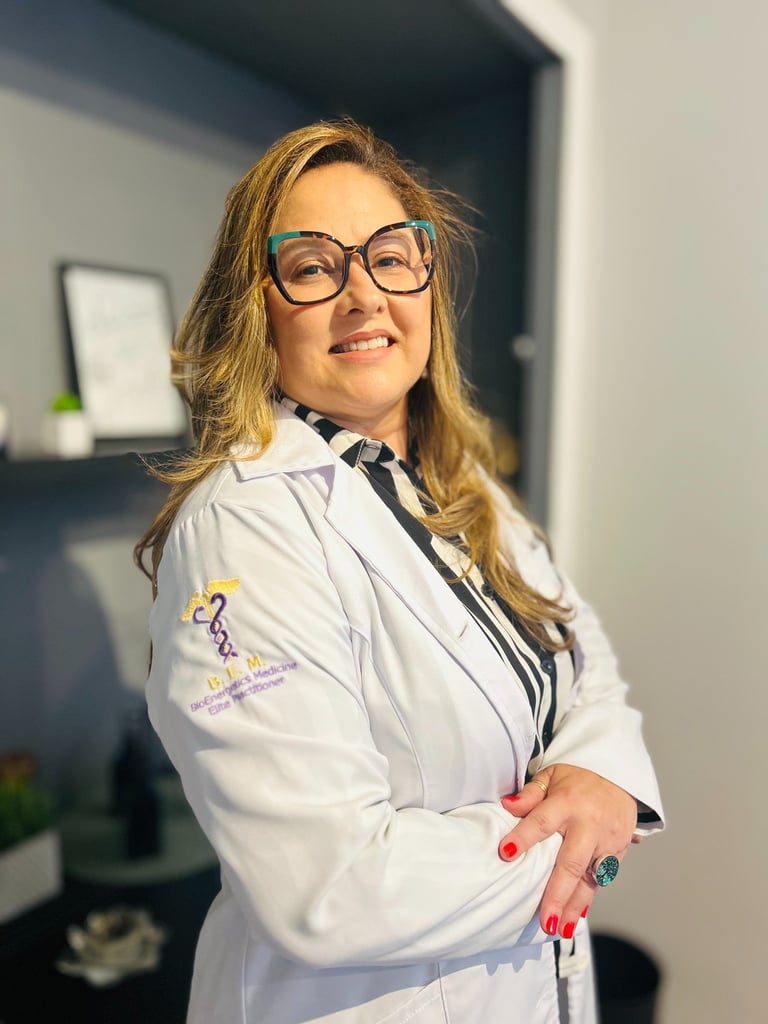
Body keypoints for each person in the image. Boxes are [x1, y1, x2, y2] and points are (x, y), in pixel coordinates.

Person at [135, 118, 664, 1024]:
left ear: (427, 282)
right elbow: (327, 884)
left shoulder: (463, 487)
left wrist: (603, 777)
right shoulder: (244, 526)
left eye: (389, 256)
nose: (364, 294)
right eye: (313, 267)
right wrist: (581, 840)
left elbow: (588, 664)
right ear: (257, 308)